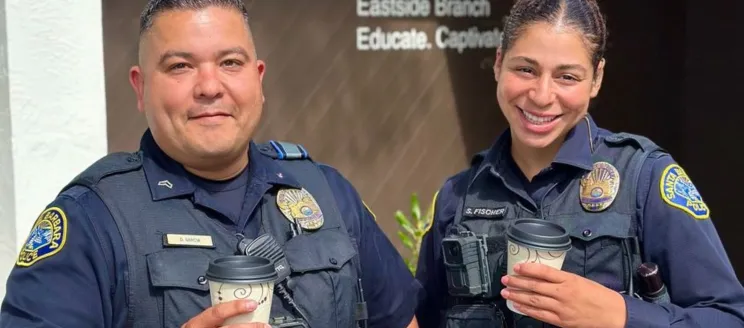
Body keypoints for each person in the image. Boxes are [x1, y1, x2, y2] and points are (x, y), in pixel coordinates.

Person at [0, 1, 420, 328]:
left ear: (258, 78)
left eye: (230, 63)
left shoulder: (327, 195)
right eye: (179, 66)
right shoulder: (92, 220)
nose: (209, 87)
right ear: (141, 87)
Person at [414, 0, 744, 327]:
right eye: (526, 69)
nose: (542, 96)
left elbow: (728, 317)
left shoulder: (643, 178)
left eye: (567, 77)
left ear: (596, 79)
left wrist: (621, 316)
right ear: (499, 64)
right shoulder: (457, 197)